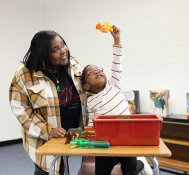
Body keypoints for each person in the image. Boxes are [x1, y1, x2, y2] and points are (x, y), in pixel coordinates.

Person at [9, 30, 87, 175]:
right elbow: (22, 111)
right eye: (55, 50)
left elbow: (88, 91)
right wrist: (48, 130)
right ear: (43, 54)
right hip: (45, 137)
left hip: (76, 133)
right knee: (50, 170)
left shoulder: (73, 64)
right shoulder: (24, 74)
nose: (63, 51)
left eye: (63, 45)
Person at [81, 26, 152, 175]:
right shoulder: (91, 101)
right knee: (100, 172)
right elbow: (92, 122)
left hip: (127, 138)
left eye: (99, 69)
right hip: (106, 142)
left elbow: (117, 63)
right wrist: (89, 137)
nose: (97, 72)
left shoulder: (114, 84)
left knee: (129, 171)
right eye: (92, 73)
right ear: (86, 86)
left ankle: (141, 164)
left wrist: (117, 39)